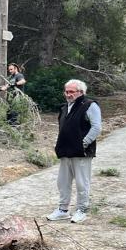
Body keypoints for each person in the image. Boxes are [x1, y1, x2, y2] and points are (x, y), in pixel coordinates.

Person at [46, 79, 102, 224]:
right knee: (62, 182)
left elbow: (96, 127)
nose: (68, 94)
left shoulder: (90, 105)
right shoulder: (65, 107)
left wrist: (83, 143)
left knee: (82, 183)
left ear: (81, 92)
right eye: (66, 91)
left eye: (72, 91)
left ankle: (81, 210)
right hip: (65, 150)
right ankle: (63, 210)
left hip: (81, 152)